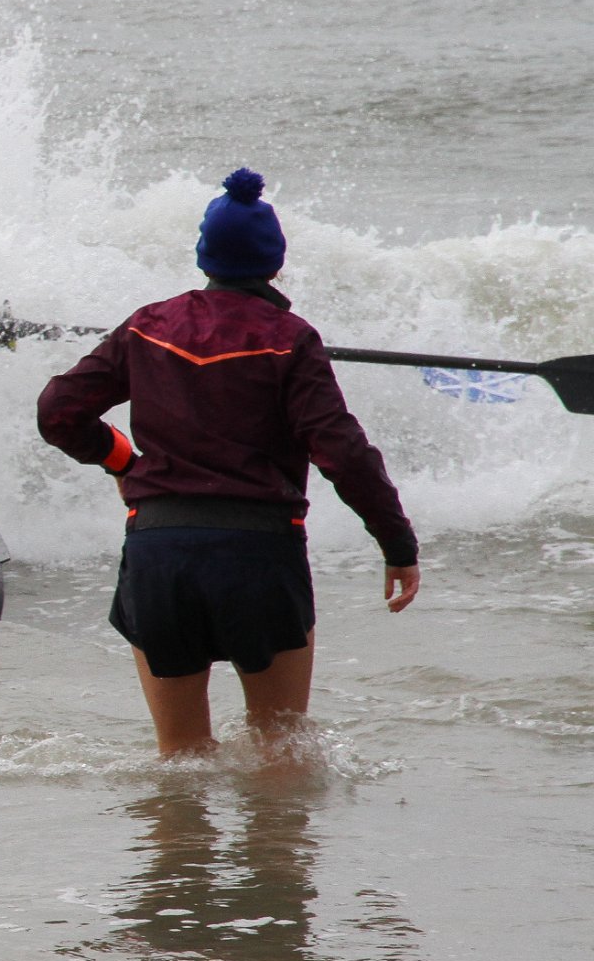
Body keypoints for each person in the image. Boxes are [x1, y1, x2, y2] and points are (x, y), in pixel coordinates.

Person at [36, 168, 421, 760]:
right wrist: (397, 545)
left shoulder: (147, 326)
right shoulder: (291, 338)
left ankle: (179, 854)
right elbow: (342, 451)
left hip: (160, 551)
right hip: (259, 555)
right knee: (279, 752)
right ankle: (273, 853)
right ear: (276, 263)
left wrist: (121, 462)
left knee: (181, 761)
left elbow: (58, 410)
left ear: (203, 255)